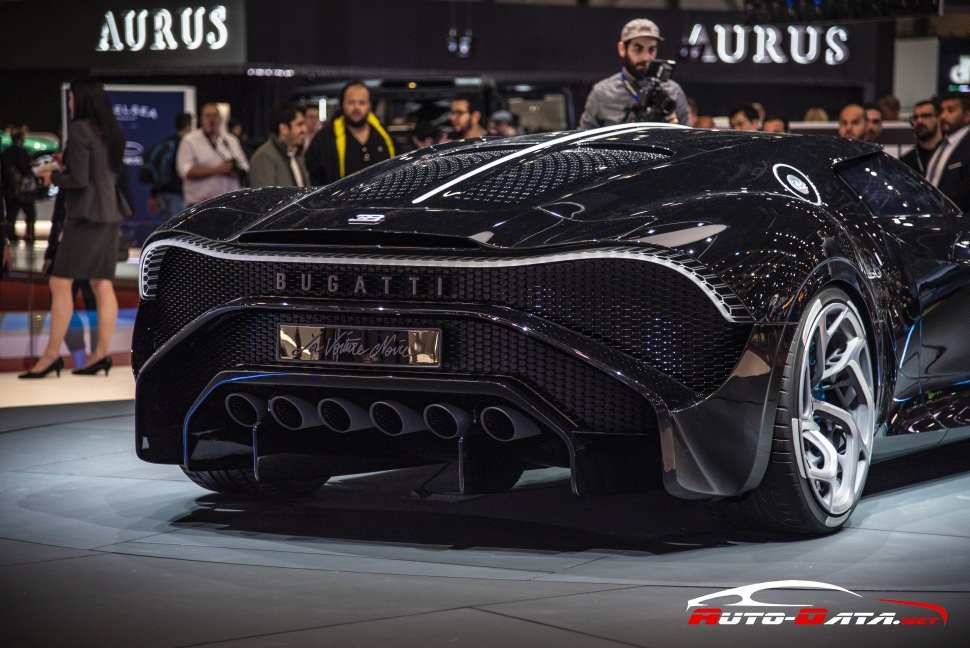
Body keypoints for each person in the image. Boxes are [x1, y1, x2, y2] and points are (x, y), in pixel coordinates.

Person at [20, 77, 130, 379]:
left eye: (71, 99)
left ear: (80, 100)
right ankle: (100, 355)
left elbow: (79, 181)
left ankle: (51, 357)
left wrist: (52, 178)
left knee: (60, 283)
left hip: (87, 217)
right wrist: (66, 164)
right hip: (109, 213)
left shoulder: (80, 129)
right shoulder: (109, 131)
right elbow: (98, 174)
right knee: (101, 283)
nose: (69, 104)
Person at [579, 18, 689, 129]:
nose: (646, 57)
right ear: (622, 49)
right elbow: (582, 141)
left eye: (651, 50)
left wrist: (676, 133)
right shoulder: (602, 93)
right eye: (638, 49)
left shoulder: (673, 92)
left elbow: (689, 141)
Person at [305, 80, 395, 186]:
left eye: (362, 102)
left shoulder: (385, 136)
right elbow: (314, 176)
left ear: (370, 105)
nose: (356, 108)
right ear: (342, 104)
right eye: (351, 102)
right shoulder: (326, 138)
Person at [176, 103, 250, 207]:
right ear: (201, 119)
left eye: (215, 116)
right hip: (200, 205)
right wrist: (217, 170)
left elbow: (245, 166)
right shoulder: (190, 141)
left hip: (229, 203)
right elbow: (185, 171)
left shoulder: (231, 140)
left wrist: (234, 171)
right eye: (208, 116)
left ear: (220, 119)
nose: (212, 120)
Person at [926, 92, 970, 210]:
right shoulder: (942, 145)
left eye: (950, 111)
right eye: (942, 111)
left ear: (967, 115)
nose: (943, 116)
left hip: (958, 219)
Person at [248, 103, 309, 187]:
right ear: (283, 128)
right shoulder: (264, 157)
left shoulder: (297, 154)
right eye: (299, 124)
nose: (305, 129)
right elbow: (265, 198)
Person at [146, 111, 192, 221]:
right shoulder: (186, 144)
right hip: (178, 192)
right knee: (177, 227)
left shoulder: (167, 142)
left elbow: (158, 167)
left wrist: (153, 194)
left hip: (163, 191)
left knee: (167, 225)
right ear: (189, 125)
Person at [1, 130, 38, 243]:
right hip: (23, 191)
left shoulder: (6, 153)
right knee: (30, 213)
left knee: (11, 214)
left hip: (9, 190)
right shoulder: (23, 153)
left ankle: (10, 235)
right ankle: (30, 234)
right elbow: (26, 169)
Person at [899, 99, 942, 176]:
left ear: (938, 118)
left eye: (926, 116)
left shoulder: (952, 155)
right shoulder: (905, 162)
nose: (919, 121)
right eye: (915, 117)